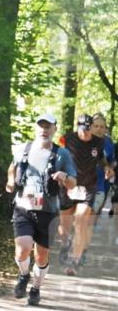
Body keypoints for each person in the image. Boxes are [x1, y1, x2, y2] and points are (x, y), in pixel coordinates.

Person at [5, 113, 76, 306]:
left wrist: (64, 177)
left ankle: (36, 288)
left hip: (48, 211)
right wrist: (11, 182)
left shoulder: (62, 154)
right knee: (23, 249)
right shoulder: (23, 149)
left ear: (54, 129)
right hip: (23, 207)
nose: (44, 130)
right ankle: (23, 275)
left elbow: (73, 182)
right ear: (36, 128)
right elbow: (12, 167)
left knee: (41, 255)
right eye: (41, 126)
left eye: (48, 126)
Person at [56, 113, 111, 275]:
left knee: (81, 220)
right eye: (83, 130)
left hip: (88, 187)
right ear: (77, 127)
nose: (85, 133)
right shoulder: (66, 139)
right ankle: (65, 243)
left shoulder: (98, 142)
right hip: (68, 185)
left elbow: (101, 159)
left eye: (88, 130)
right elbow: (58, 158)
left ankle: (74, 261)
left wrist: (107, 168)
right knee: (65, 224)